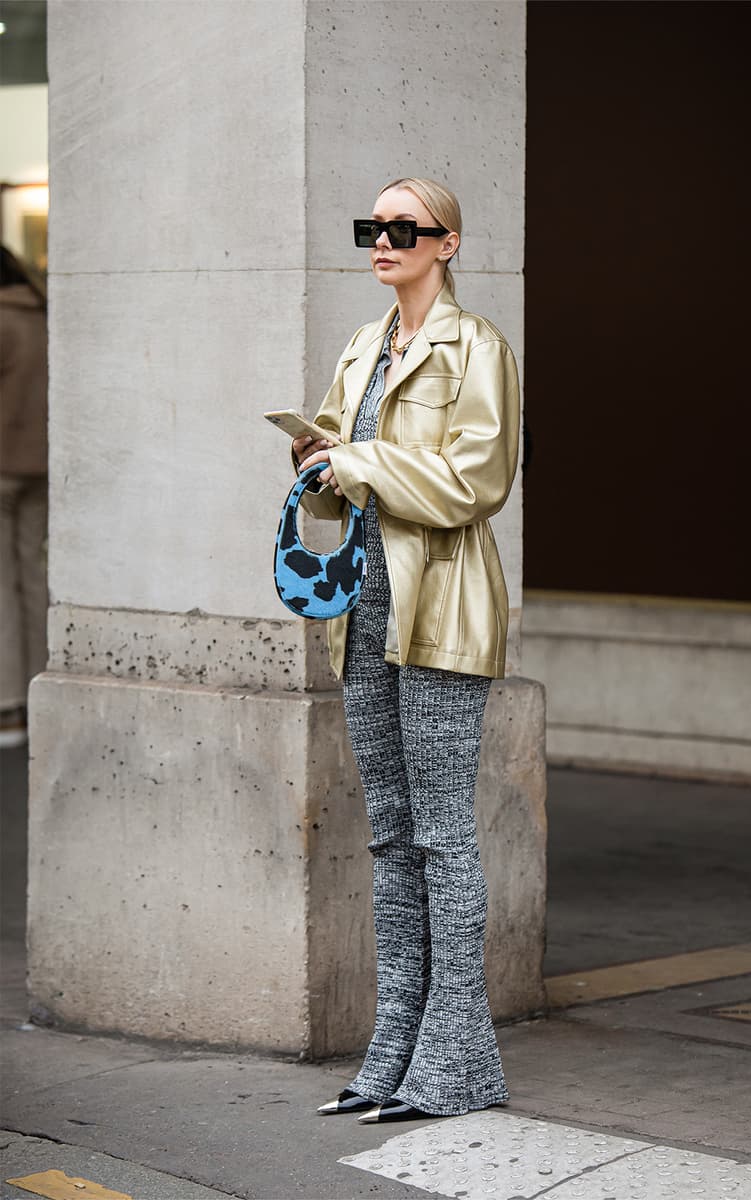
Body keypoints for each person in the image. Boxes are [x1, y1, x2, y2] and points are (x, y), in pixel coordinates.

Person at [293, 178, 520, 1123]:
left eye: (402, 229)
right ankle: (395, 1045)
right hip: (365, 608)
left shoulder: (480, 348)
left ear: (447, 243)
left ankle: (457, 1059)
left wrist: (355, 463)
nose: (382, 242)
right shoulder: (359, 348)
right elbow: (341, 486)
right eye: (371, 228)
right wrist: (316, 470)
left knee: (441, 832)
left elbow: (479, 478)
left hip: (444, 610)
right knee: (390, 834)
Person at [0, 245, 48, 747]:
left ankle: (9, 706)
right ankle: (37, 690)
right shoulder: (45, 313)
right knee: (33, 578)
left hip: (2, 469)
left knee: (3, 585)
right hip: (41, 465)